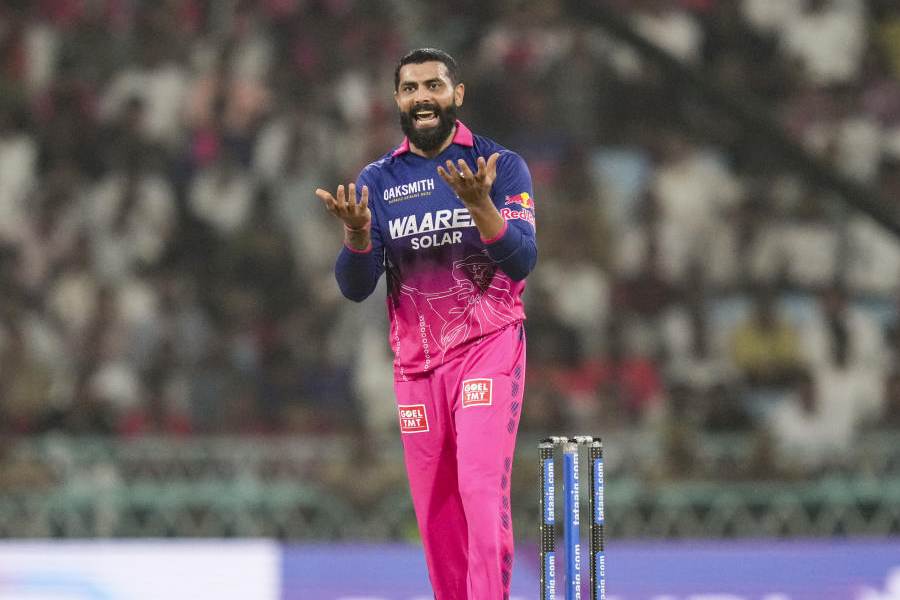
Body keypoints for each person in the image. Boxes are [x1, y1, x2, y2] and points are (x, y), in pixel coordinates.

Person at [315, 48, 537, 599]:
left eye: (433, 86)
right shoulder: (378, 178)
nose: (422, 98)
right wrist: (359, 236)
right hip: (416, 368)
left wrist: (481, 206)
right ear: (397, 100)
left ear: (457, 94)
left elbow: (521, 260)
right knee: (436, 516)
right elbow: (354, 285)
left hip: (487, 347)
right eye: (410, 88)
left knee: (480, 491)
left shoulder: (499, 165)